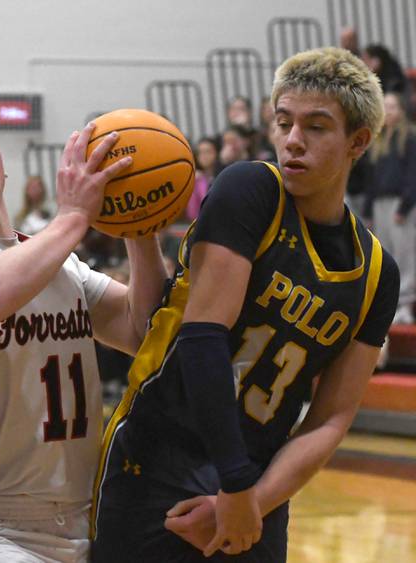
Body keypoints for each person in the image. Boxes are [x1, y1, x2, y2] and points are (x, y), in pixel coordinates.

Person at [91, 47, 399, 562]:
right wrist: (234, 486)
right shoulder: (250, 190)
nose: (293, 141)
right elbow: (203, 336)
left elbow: (330, 419)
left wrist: (250, 498)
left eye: (317, 127)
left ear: (358, 141)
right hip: (157, 455)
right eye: (283, 123)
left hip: (258, 480)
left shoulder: (376, 274)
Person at [0, 75, 168, 562]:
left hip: (98, 512)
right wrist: (75, 216)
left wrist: (139, 226)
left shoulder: (56, 261)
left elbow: (141, 331)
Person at [365, 92, 416, 324]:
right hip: (380, 204)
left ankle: (405, 304)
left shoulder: (409, 138)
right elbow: (372, 179)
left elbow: (412, 175)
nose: (389, 111)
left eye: (393, 106)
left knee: (405, 254)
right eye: (385, 107)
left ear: (402, 110)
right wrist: (367, 211)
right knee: (386, 255)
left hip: (400, 203)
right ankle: (390, 304)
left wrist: (404, 207)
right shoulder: (378, 141)